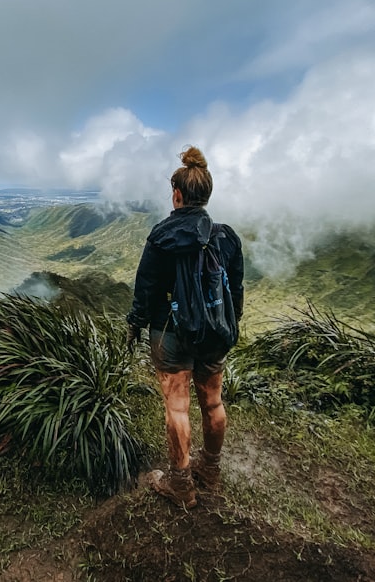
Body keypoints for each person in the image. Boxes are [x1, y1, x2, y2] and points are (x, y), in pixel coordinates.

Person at [126, 146, 244, 508]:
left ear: (176, 195)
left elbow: (145, 289)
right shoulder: (226, 237)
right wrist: (229, 323)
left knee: (177, 407)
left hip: (171, 332)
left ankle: (180, 483)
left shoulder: (161, 237)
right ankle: (209, 469)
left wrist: (135, 324)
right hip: (214, 332)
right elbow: (235, 289)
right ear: (206, 196)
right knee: (212, 402)